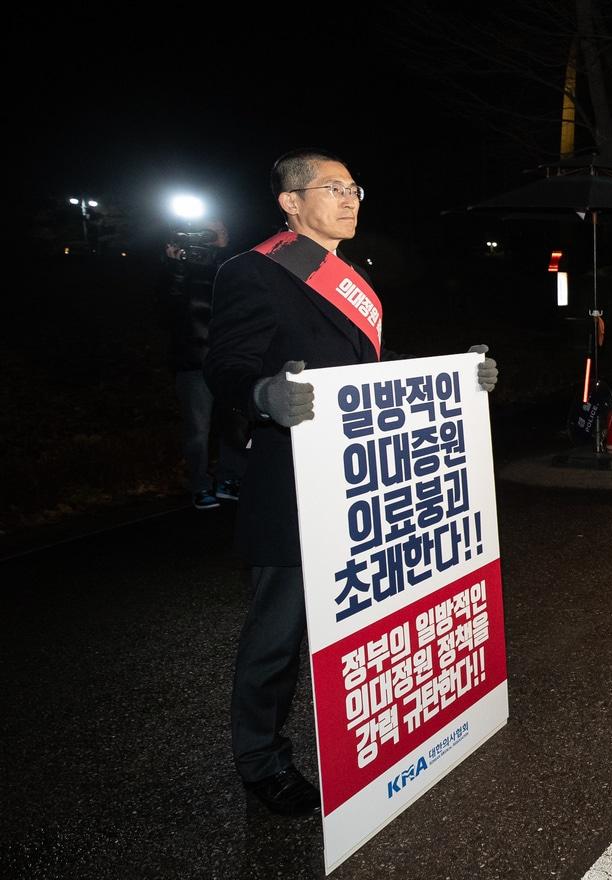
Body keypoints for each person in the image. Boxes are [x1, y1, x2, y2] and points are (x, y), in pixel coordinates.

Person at [205, 149, 500, 816]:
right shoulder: (251, 271)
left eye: (354, 187)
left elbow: (371, 370)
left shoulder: (352, 278)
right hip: (292, 481)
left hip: (359, 484)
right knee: (278, 635)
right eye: (332, 188)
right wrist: (261, 394)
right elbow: (225, 365)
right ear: (289, 202)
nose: (350, 199)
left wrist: (457, 377)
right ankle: (260, 759)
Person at [164, 219, 246, 509]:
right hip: (193, 363)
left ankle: (229, 479)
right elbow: (170, 307)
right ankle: (199, 485)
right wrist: (175, 265)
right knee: (198, 431)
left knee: (235, 424)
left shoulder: (226, 269)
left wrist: (223, 248)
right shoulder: (178, 271)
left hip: (227, 363)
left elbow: (240, 296)